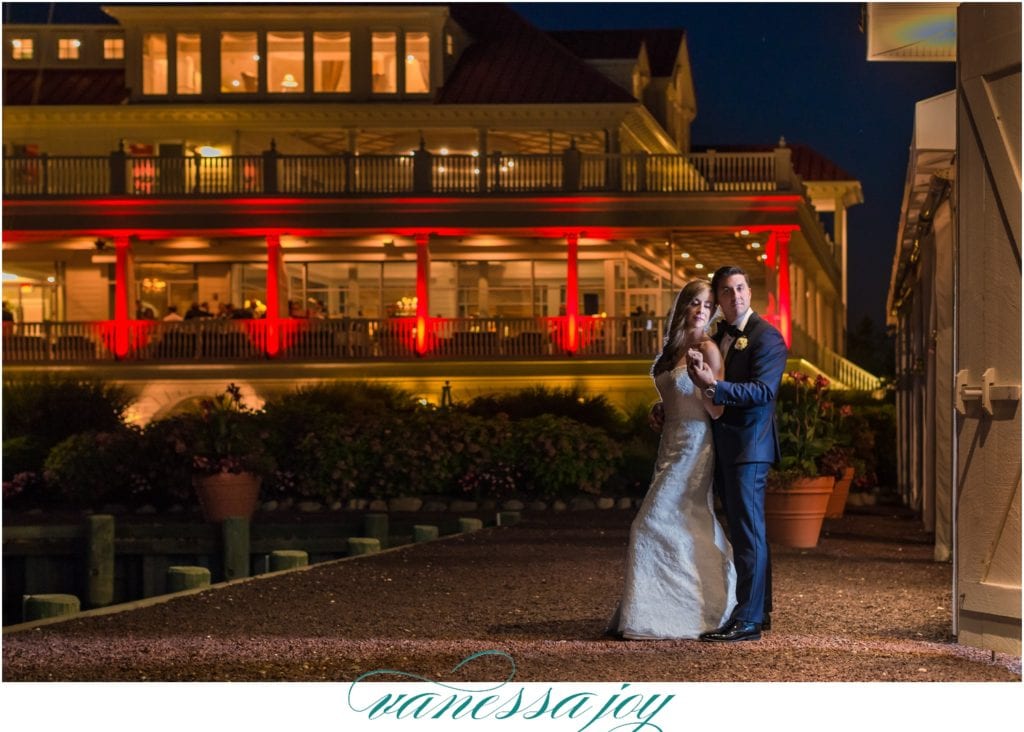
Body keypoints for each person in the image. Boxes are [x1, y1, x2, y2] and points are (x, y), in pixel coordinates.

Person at [606, 279, 736, 640]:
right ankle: (675, 608)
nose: (702, 310)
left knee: (649, 522)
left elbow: (716, 406)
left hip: (696, 446)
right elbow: (677, 394)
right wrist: (661, 407)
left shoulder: (709, 349)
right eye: (695, 302)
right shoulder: (672, 348)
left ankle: (687, 610)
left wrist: (704, 378)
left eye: (709, 306)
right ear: (683, 306)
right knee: (682, 524)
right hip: (670, 443)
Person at [686, 265, 788, 642]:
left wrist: (717, 385)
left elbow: (763, 392)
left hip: (750, 446)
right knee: (747, 533)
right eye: (727, 291)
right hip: (726, 445)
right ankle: (759, 612)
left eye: (741, 288)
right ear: (719, 298)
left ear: (749, 292)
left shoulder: (767, 338)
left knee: (749, 534)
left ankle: (746, 619)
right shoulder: (719, 337)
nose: (736, 296)